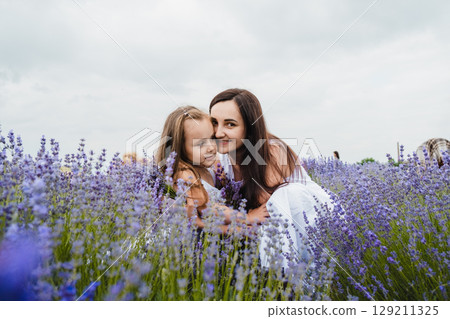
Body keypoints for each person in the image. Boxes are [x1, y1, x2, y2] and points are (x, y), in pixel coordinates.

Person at [209, 89, 334, 268]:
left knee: (285, 196)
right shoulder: (217, 159)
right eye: (214, 122)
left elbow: (268, 212)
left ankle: (283, 278)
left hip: (305, 220)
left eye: (230, 124)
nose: (218, 132)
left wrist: (235, 218)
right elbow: (201, 203)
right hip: (260, 229)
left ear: (249, 126)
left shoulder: (273, 151)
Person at [155, 106, 268, 233]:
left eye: (212, 138)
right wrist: (247, 218)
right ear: (179, 148)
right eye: (200, 144)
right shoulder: (184, 174)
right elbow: (208, 209)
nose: (211, 148)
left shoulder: (207, 169)